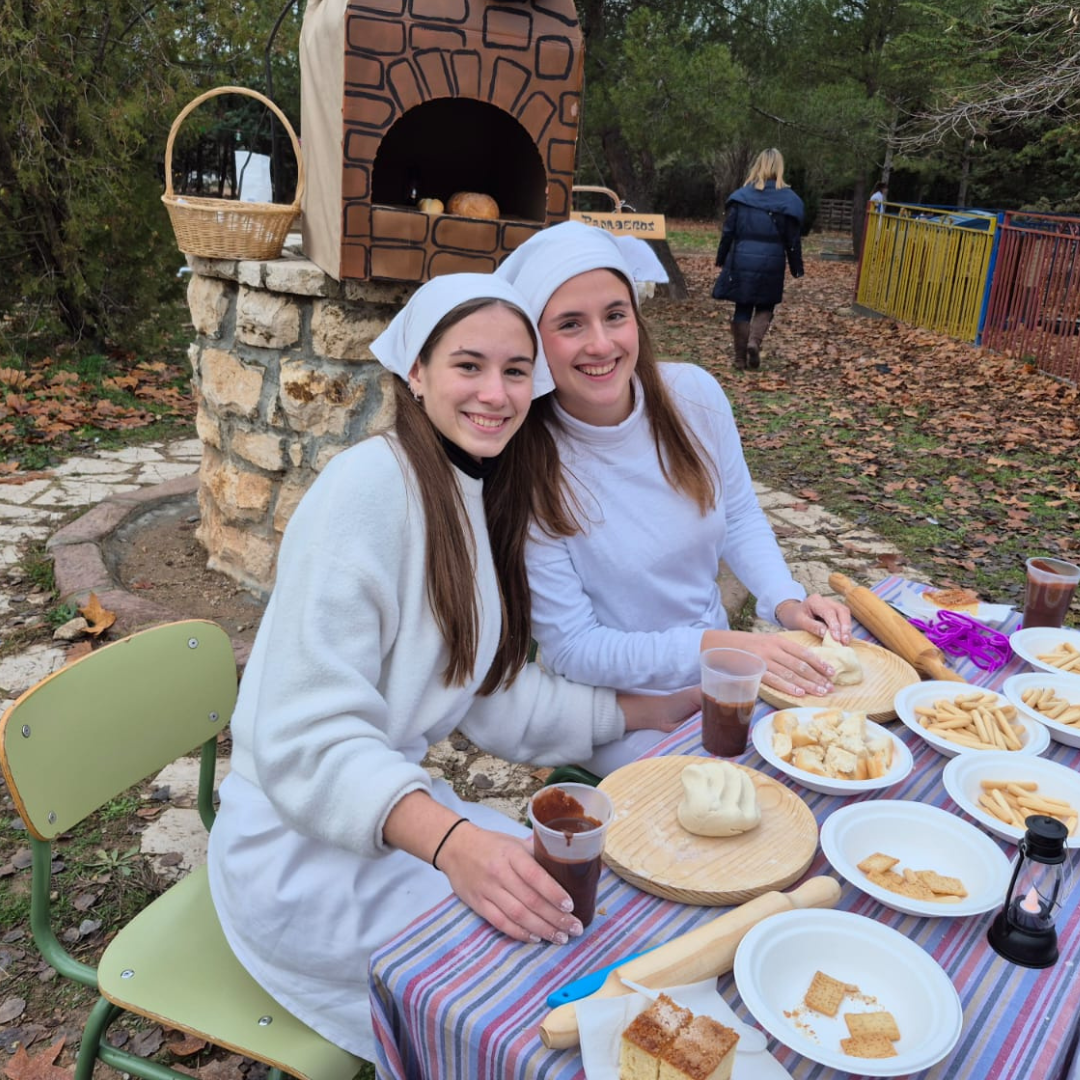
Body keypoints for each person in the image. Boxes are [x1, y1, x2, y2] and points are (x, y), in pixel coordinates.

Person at [206, 273, 698, 1060]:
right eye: (469, 366)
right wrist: (455, 845)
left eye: (515, 370)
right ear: (416, 372)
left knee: (587, 922)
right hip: (299, 855)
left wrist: (648, 710)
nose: (495, 394)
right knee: (531, 993)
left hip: (398, 820)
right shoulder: (364, 490)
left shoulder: (476, 491)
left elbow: (490, 694)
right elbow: (302, 739)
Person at [497, 221, 852, 775]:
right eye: (570, 324)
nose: (601, 344)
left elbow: (738, 513)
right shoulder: (525, 465)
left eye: (616, 315)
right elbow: (574, 649)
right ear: (534, 343)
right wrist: (718, 646)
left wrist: (786, 601)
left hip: (721, 673)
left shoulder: (693, 395)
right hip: (619, 711)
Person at [712, 148, 804, 370]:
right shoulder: (789, 200)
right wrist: (796, 267)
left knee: (742, 306)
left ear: (757, 165)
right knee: (766, 304)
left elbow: (728, 232)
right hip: (772, 260)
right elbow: (793, 239)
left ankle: (739, 359)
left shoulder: (742, 197)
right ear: (780, 168)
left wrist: (721, 257)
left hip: (742, 259)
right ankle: (754, 342)